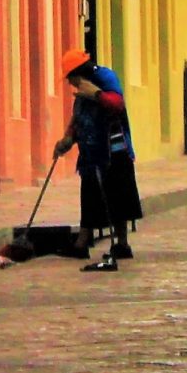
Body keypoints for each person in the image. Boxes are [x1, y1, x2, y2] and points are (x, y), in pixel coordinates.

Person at [52, 52, 141, 270]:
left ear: (79, 73)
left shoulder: (105, 78)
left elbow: (117, 103)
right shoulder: (82, 91)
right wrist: (67, 139)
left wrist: (96, 94)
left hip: (114, 149)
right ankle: (81, 243)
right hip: (91, 151)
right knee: (90, 194)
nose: (70, 83)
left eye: (71, 77)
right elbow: (79, 117)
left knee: (118, 196)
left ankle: (121, 244)